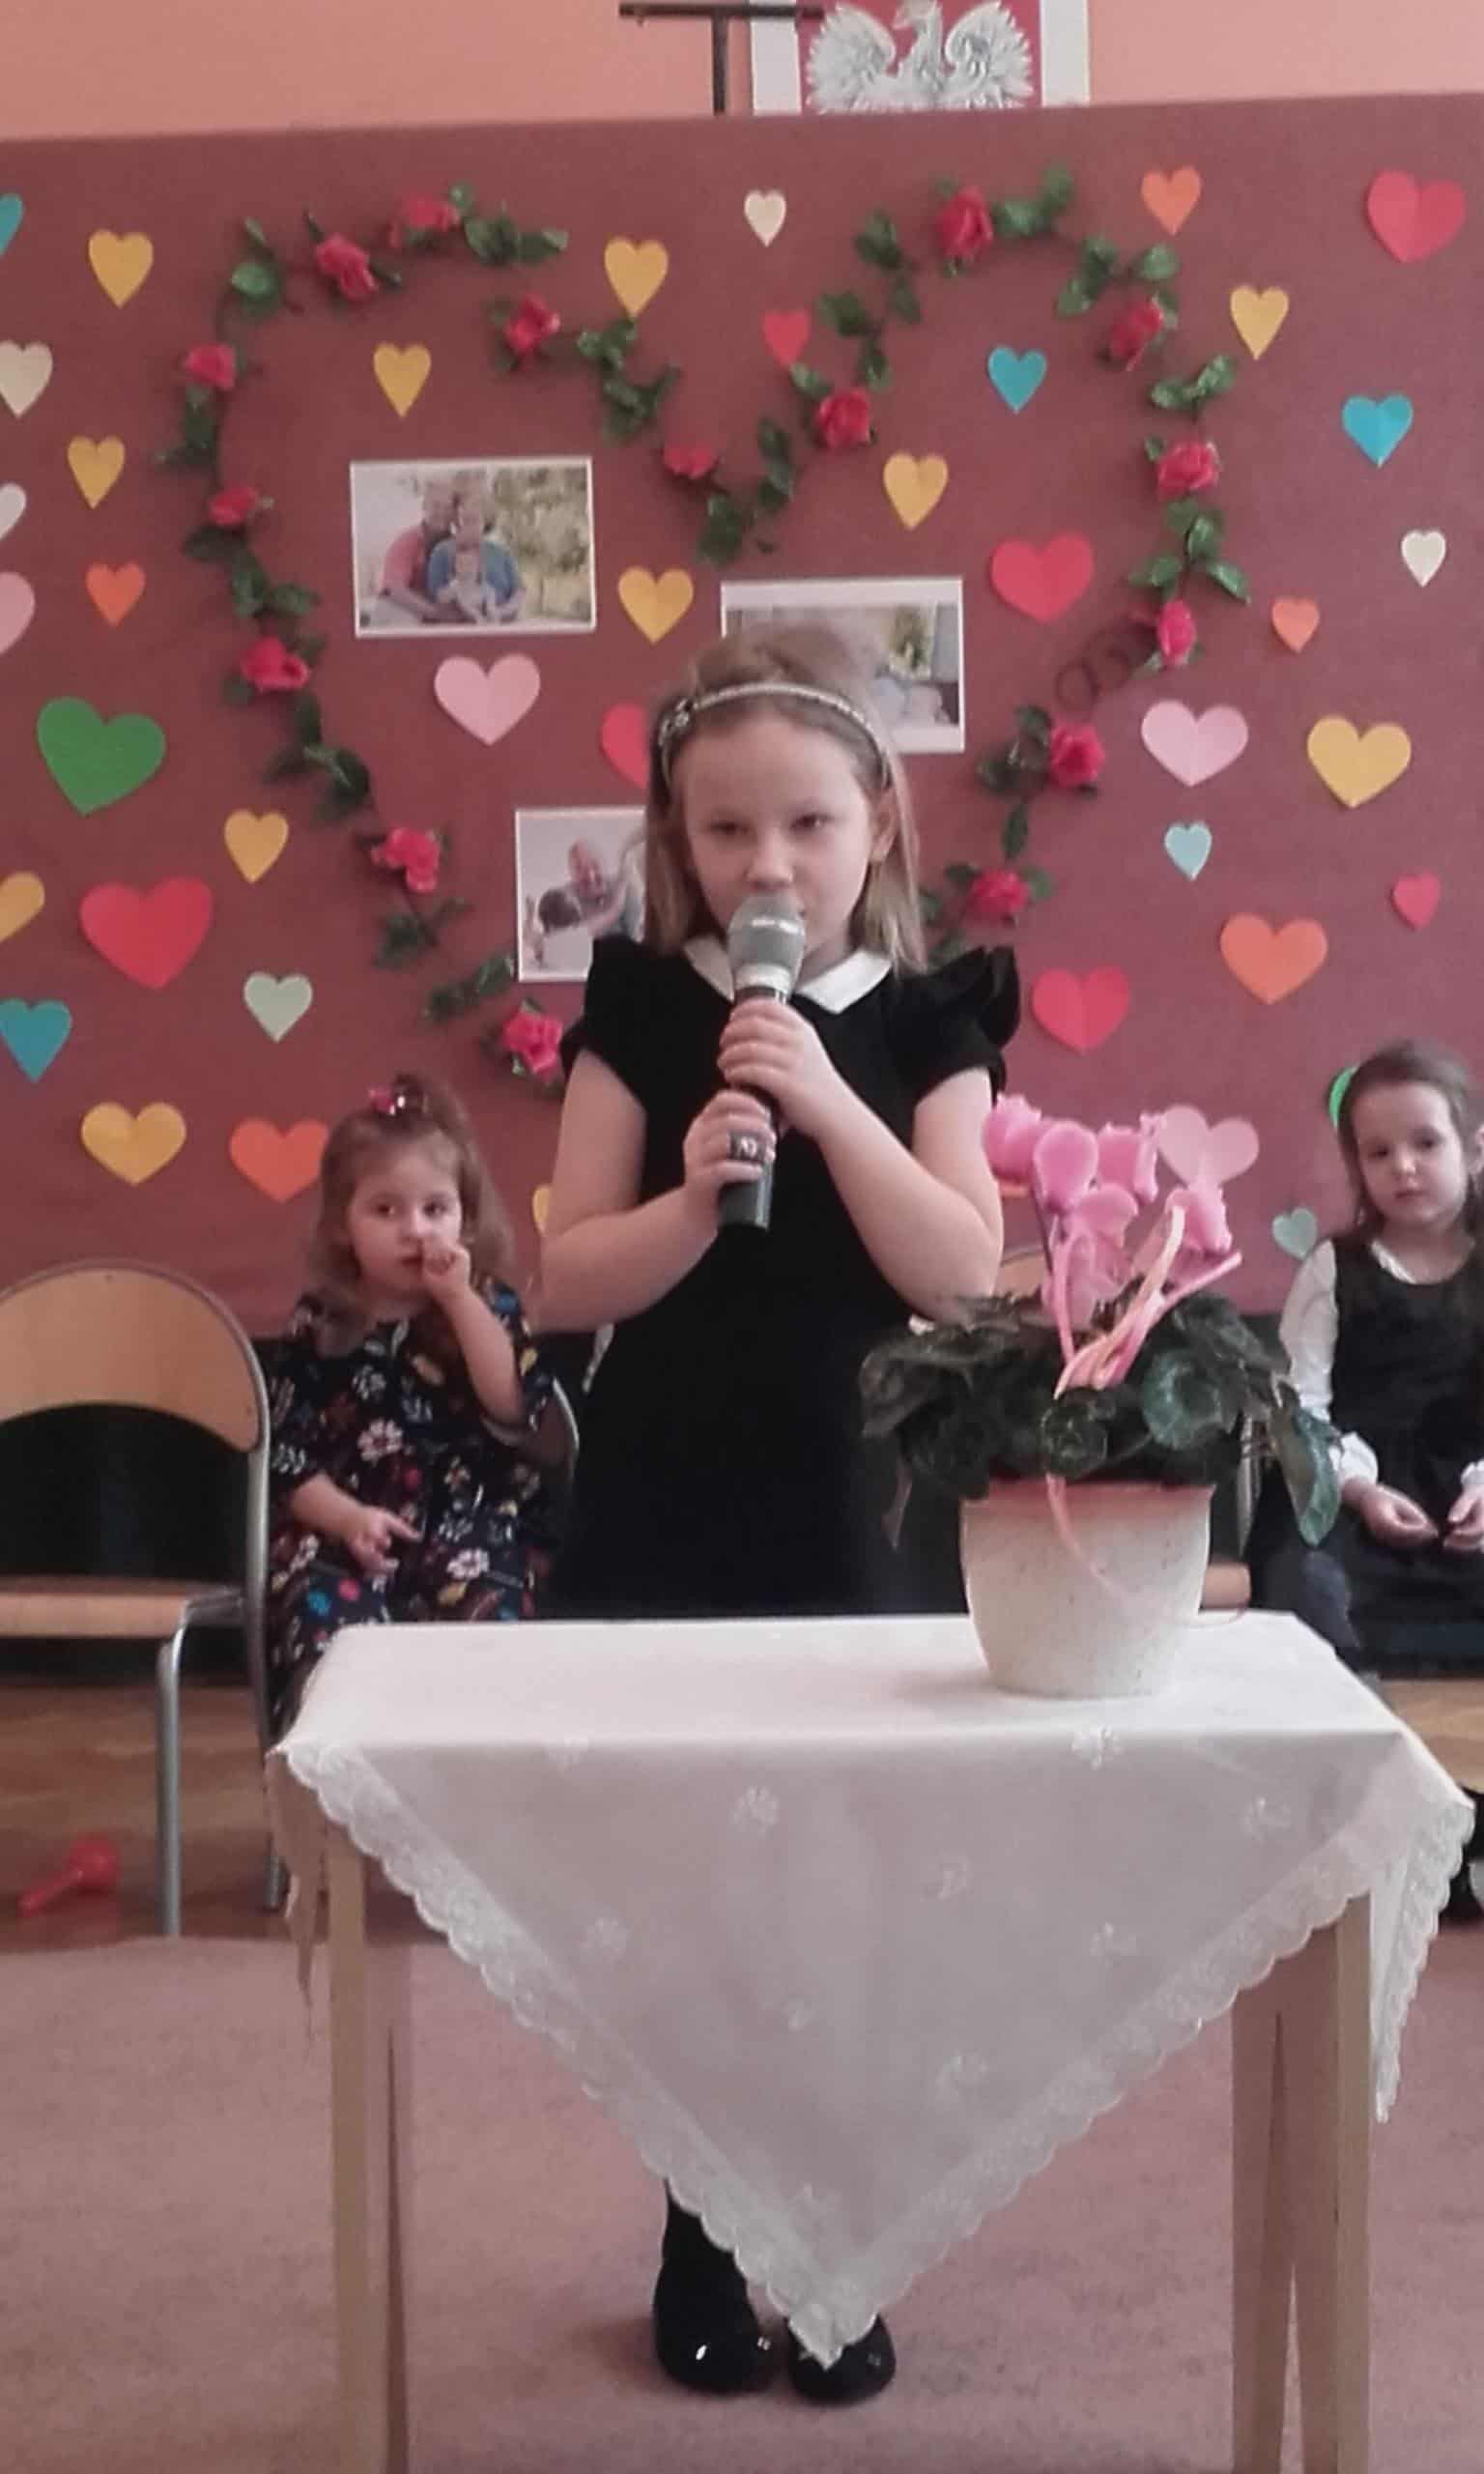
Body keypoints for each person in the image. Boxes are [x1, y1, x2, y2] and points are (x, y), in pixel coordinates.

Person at [538, 623, 1017, 2406]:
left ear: (877, 822)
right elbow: (565, 1278)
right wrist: (688, 1198)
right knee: (703, 1891)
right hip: (675, 1494)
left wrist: (827, 1105)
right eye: (726, 829)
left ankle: (841, 2237)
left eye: (808, 825)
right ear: (678, 838)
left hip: (860, 1503)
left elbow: (961, 1272)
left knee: (852, 1889)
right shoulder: (646, 1011)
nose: (769, 865)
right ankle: (697, 2225)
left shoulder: (930, 1017)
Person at [266, 1073, 560, 1729]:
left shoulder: (487, 1305)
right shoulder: (321, 1322)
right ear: (343, 1226)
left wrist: (459, 1302)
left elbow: (511, 1406)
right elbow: (287, 1460)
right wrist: (347, 1519)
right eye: (386, 1210)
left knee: (491, 1628)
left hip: (470, 1527)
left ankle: (479, 1764)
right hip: (345, 1537)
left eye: (435, 1209)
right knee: (325, 1631)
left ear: (465, 1218)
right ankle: (339, 1770)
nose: (414, 1230)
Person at [1268, 1038, 1484, 1909]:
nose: (1403, 1167)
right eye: (1379, 1151)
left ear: (1473, 1148)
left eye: (1426, 1144)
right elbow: (1301, 1408)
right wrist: (1358, 1489)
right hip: (1359, 1497)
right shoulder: (1335, 1270)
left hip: (1468, 1497)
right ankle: (1361, 1799)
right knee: (1304, 1579)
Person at [426, 490, 525, 625]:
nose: (469, 525)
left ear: (485, 520)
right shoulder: (442, 552)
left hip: (501, 623)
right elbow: (437, 597)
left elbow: (519, 592)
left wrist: (500, 612)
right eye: (464, 519)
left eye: (474, 519)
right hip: (459, 626)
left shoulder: (501, 553)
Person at [374, 473, 457, 625]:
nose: (442, 512)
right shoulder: (408, 540)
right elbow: (394, 589)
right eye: (436, 506)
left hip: (429, 610)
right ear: (424, 506)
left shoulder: (456, 543)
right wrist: (436, 613)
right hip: (399, 606)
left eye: (448, 507)